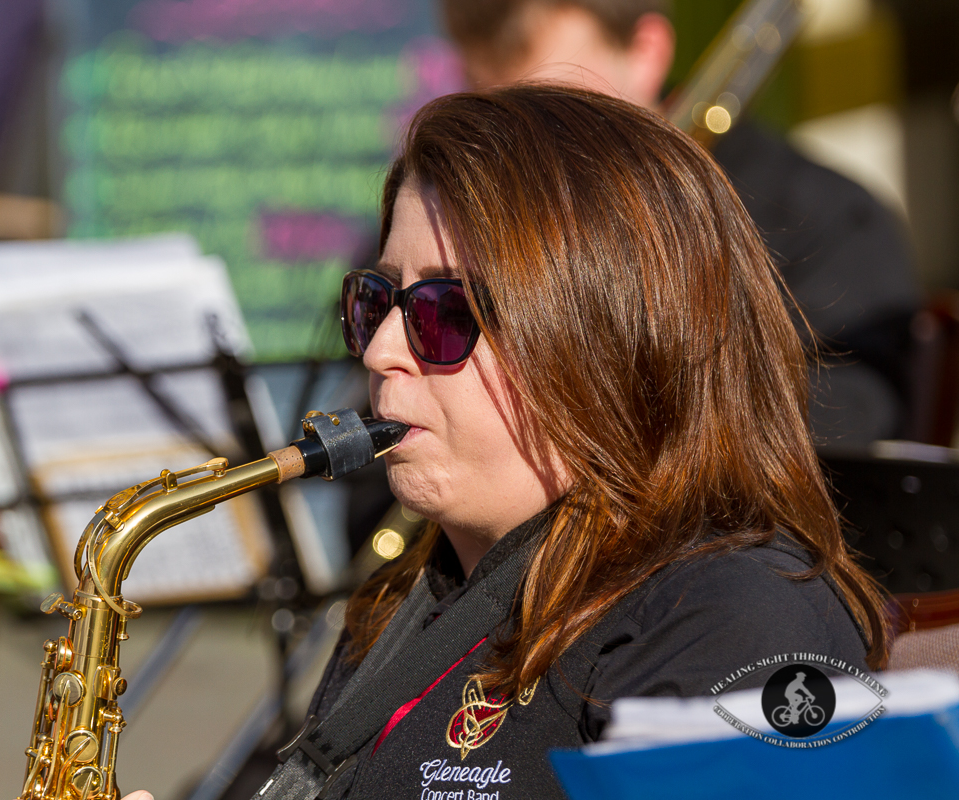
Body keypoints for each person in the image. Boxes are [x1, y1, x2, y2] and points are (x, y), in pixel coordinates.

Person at [127, 85, 888, 800]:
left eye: (444, 312)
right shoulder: (404, 605)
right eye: (375, 300)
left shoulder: (732, 615)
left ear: (611, 342)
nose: (380, 349)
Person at [439, 0, 922, 447]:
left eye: (555, 97)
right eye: (487, 104)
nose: (517, 147)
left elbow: (855, 413)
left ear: (646, 52)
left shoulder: (822, 215)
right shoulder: (445, 217)